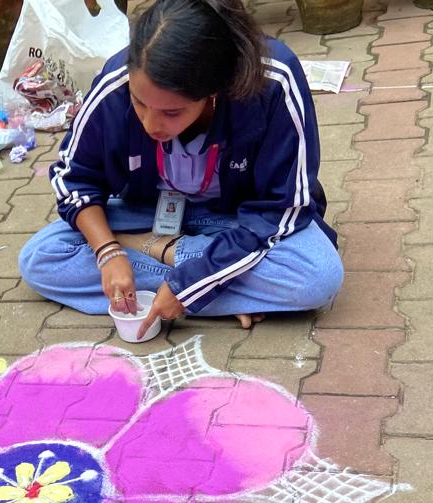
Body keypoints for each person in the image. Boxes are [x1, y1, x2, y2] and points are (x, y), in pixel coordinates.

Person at [19, 0, 343, 338]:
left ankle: (177, 271)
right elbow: (74, 180)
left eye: (172, 112)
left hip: (239, 220)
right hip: (148, 213)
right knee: (41, 257)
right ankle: (220, 288)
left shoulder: (273, 81)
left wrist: (185, 278)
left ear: (213, 91)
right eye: (139, 103)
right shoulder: (115, 82)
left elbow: (282, 211)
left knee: (318, 275)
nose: (150, 124)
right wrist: (107, 252)